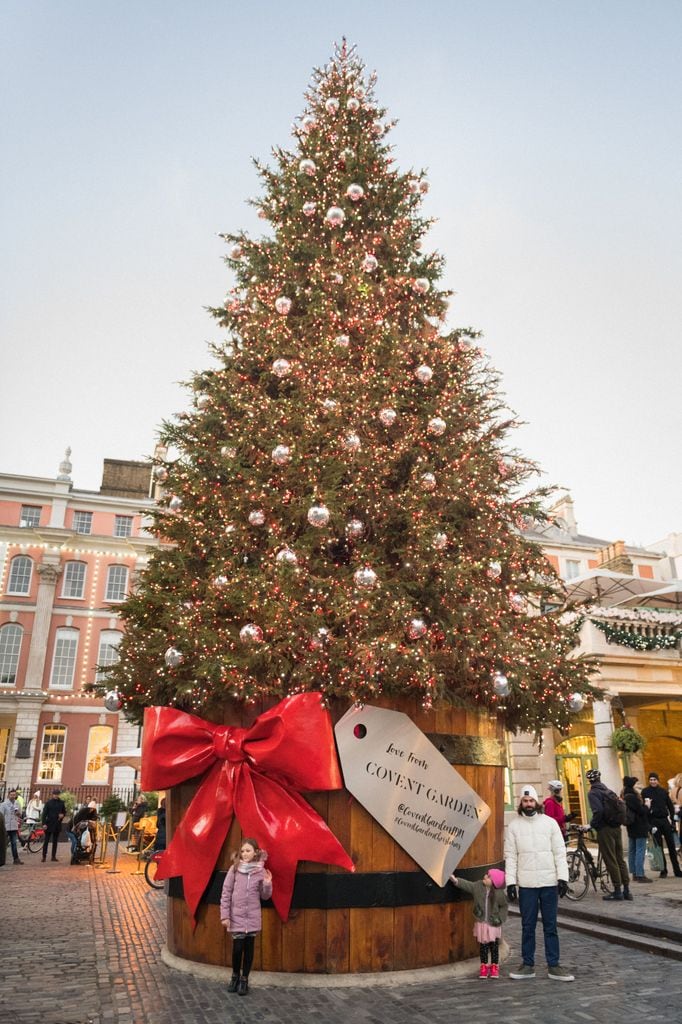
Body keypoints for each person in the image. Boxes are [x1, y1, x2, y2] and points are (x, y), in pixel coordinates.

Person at [504, 784, 574, 982]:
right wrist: (511, 882)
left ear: (536, 802)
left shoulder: (550, 824)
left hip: (548, 882)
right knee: (528, 926)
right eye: (525, 801)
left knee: (550, 926)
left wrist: (563, 878)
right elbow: (511, 856)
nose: (528, 804)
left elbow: (559, 852)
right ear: (521, 803)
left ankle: (554, 965)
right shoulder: (514, 827)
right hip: (527, 885)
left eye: (531, 800)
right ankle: (527, 964)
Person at [220, 838, 273, 996]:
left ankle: (244, 980)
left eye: (248, 851)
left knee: (249, 949)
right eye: (242, 851)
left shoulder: (260, 871)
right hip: (236, 916)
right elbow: (226, 892)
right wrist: (225, 915)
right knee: (237, 949)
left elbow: (264, 896)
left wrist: (267, 883)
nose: (244, 854)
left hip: (252, 917)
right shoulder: (234, 869)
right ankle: (235, 976)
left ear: (255, 852)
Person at [450, 868, 508, 978]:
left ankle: (494, 966)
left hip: (493, 924)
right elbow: (468, 885)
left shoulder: (499, 894)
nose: (485, 876)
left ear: (494, 882)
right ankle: (484, 966)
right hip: (482, 923)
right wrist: (456, 880)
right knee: (483, 946)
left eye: (489, 876)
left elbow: (504, 906)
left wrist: (500, 918)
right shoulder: (478, 886)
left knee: (494, 946)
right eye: (486, 874)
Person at [585, 768, 631, 901]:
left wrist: (591, 825)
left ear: (589, 780)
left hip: (605, 829)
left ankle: (617, 891)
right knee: (620, 859)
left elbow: (598, 811)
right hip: (616, 828)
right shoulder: (608, 790)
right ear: (599, 778)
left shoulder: (593, 793)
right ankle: (626, 890)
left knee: (610, 859)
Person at [641, 772, 682, 878]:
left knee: (671, 846)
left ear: (657, 780)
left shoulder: (663, 791)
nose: (653, 781)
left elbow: (670, 806)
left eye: (654, 779)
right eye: (651, 780)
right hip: (653, 821)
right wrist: (649, 825)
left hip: (664, 820)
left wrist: (673, 821)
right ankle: (663, 870)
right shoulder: (645, 792)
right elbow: (644, 808)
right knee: (658, 847)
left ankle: (677, 870)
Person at [623, 776, 651, 883]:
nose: (640, 788)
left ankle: (634, 873)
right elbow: (641, 811)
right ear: (633, 786)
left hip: (631, 826)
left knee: (632, 850)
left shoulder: (625, 795)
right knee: (640, 850)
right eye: (638, 786)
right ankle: (640, 874)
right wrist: (647, 806)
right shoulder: (632, 797)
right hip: (639, 826)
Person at [41, 787, 66, 862]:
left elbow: (64, 812)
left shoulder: (61, 803)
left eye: (57, 794)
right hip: (49, 823)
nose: (56, 795)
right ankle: (44, 856)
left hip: (57, 823)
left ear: (59, 795)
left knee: (55, 841)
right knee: (46, 841)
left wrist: (62, 815)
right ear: (52, 794)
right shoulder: (48, 803)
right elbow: (44, 814)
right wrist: (44, 824)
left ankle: (53, 856)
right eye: (54, 794)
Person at [0, 788, 24, 864]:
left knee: (14, 843)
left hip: (14, 826)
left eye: (14, 795)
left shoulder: (17, 803)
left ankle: (16, 859)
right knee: (3, 843)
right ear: (8, 795)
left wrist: (18, 814)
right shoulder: (4, 804)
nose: (13, 796)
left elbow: (20, 814)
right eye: (11, 795)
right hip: (5, 827)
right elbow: (1, 815)